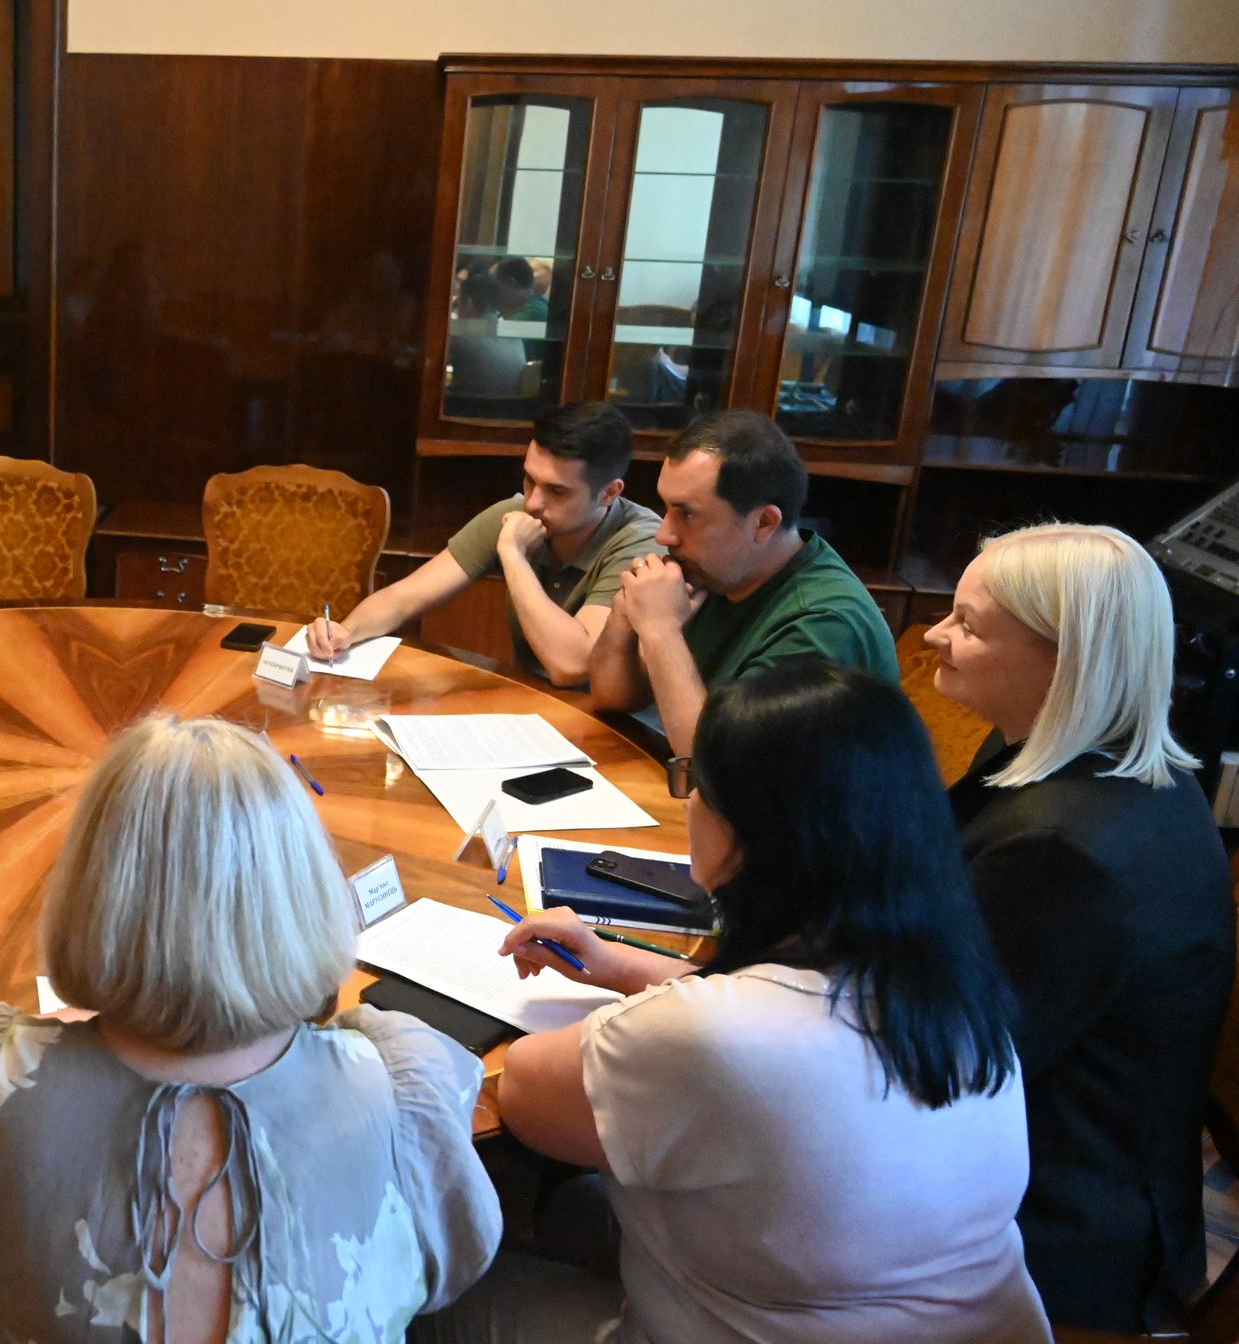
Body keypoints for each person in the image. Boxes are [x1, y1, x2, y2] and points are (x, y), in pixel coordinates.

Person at [420, 660, 1046, 1343]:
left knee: (428, 1295)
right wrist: (624, 967)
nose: (689, 800)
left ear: (750, 833)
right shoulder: (954, 985)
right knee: (576, 1211)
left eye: (697, 785)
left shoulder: (712, 1037)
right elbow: (782, 1016)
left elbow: (525, 1094)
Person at [0, 715, 502, 1342]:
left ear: (93, 891)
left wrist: (47, 1033)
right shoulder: (396, 1085)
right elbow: (452, 1257)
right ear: (303, 892)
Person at [927, 523, 1232, 1333]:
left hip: (1051, 1232)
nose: (934, 635)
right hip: (1058, 1160)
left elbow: (946, 1064)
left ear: (1066, 660)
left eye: (967, 624)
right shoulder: (1093, 763)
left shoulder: (1063, 847)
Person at [588, 410, 898, 755]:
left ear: (764, 522)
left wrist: (661, 630)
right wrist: (624, 618)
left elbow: (717, 765)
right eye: (666, 508)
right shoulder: (719, 573)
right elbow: (612, 699)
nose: (664, 534)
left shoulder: (822, 625)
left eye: (687, 513)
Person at [307, 403, 660, 685]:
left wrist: (513, 556)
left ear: (609, 493)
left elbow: (571, 666)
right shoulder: (517, 513)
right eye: (529, 480)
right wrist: (345, 631)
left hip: (620, 731)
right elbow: (405, 596)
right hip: (535, 707)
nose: (533, 502)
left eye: (557, 491)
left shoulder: (641, 541)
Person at [492, 257, 548, 322]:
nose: (488, 289)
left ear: (510, 283)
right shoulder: (534, 302)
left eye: (493, 284)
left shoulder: (532, 312)